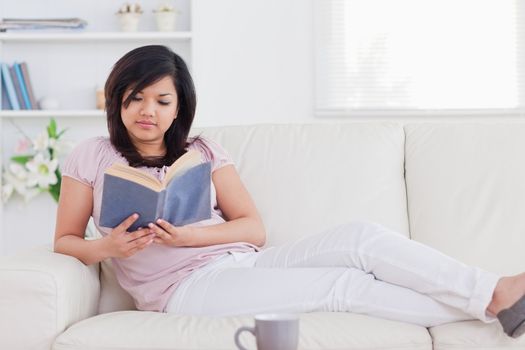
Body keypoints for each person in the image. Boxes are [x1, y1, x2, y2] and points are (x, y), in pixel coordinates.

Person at [54, 45, 525, 338]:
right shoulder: (93, 154)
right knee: (343, 286)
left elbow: (253, 230)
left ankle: (493, 293)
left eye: (162, 100)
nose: (147, 111)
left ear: (180, 107)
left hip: (240, 260)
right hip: (185, 290)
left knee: (360, 238)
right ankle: (491, 302)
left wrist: (187, 236)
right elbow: (65, 241)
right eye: (135, 97)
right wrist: (108, 247)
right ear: (117, 99)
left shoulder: (203, 150)